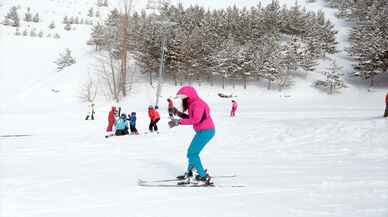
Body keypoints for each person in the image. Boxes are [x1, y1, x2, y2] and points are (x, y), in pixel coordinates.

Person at [168, 85, 215, 185]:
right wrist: (178, 113)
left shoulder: (198, 104)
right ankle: (190, 173)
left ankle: (203, 176)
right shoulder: (193, 104)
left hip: (206, 131)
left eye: (183, 97)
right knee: (191, 152)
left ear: (189, 96)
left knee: (192, 153)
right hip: (203, 131)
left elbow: (195, 120)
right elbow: (191, 117)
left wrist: (178, 122)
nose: (182, 100)